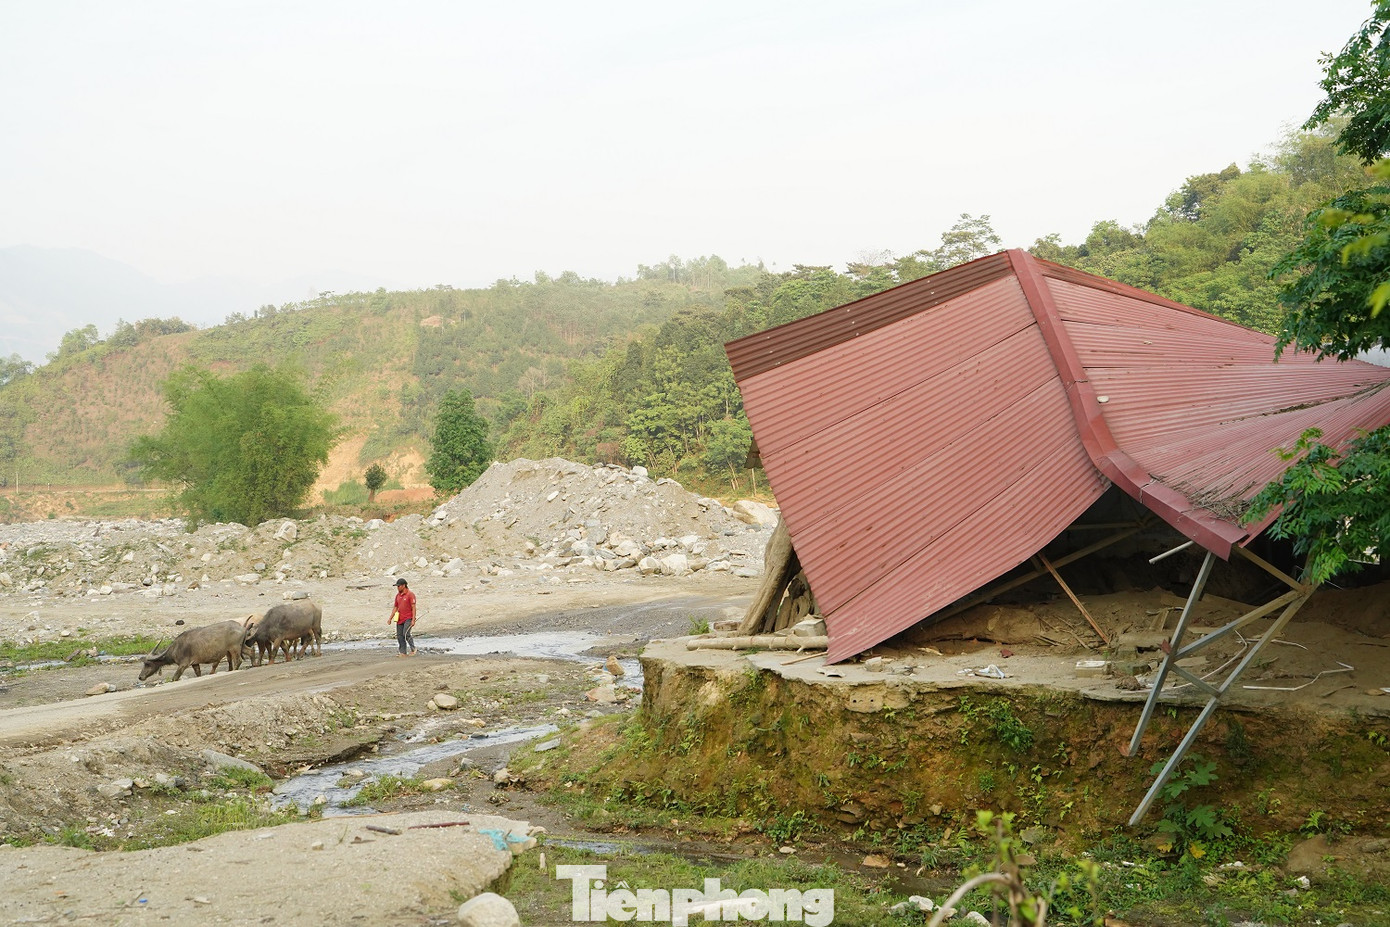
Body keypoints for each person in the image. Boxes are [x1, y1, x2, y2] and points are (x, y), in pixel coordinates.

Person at [390, 577, 417, 656]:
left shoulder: (410, 594)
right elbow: (395, 607)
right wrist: (390, 618)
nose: (397, 588)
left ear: (404, 585)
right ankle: (403, 652)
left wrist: (413, 619)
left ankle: (413, 648)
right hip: (399, 618)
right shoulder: (398, 596)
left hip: (408, 617)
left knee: (406, 633)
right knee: (399, 636)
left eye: (399, 586)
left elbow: (413, 607)